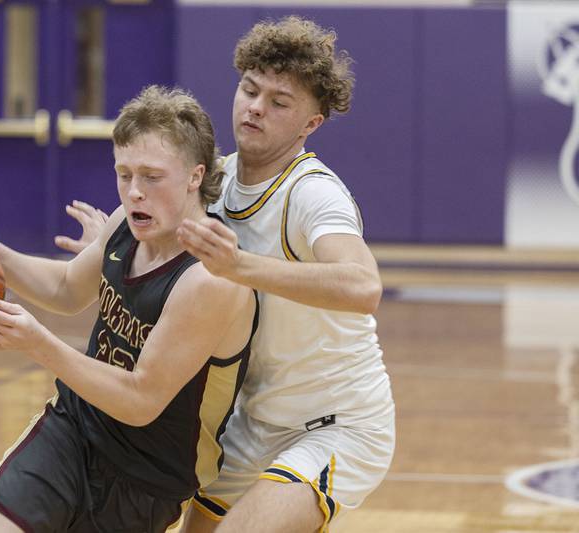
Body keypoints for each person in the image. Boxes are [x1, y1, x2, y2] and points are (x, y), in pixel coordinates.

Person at [57, 17, 395, 533]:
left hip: (335, 425)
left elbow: (364, 286)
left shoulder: (312, 194)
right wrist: (109, 248)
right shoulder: (217, 175)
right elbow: (163, 247)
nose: (256, 107)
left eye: (280, 102)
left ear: (311, 124)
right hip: (251, 421)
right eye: (250, 89)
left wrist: (241, 266)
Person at [0, 86, 258, 533]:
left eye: (152, 177)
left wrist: (39, 343)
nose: (134, 192)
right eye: (124, 174)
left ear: (195, 177)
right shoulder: (124, 226)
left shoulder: (210, 278)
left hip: (145, 477)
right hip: (72, 427)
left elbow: (140, 400)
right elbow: (66, 287)